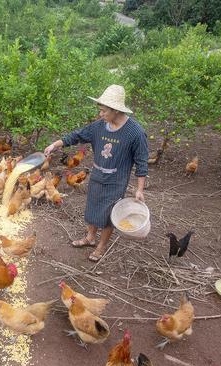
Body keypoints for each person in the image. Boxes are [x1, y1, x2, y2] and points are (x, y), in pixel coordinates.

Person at [44, 84, 148, 262]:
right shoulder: (99, 126)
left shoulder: (135, 133)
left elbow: (141, 162)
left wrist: (140, 189)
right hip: (98, 175)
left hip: (116, 180)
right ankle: (90, 238)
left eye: (104, 111)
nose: (100, 115)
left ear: (115, 110)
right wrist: (55, 144)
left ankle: (101, 247)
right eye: (100, 110)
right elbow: (76, 135)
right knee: (92, 207)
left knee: (109, 215)